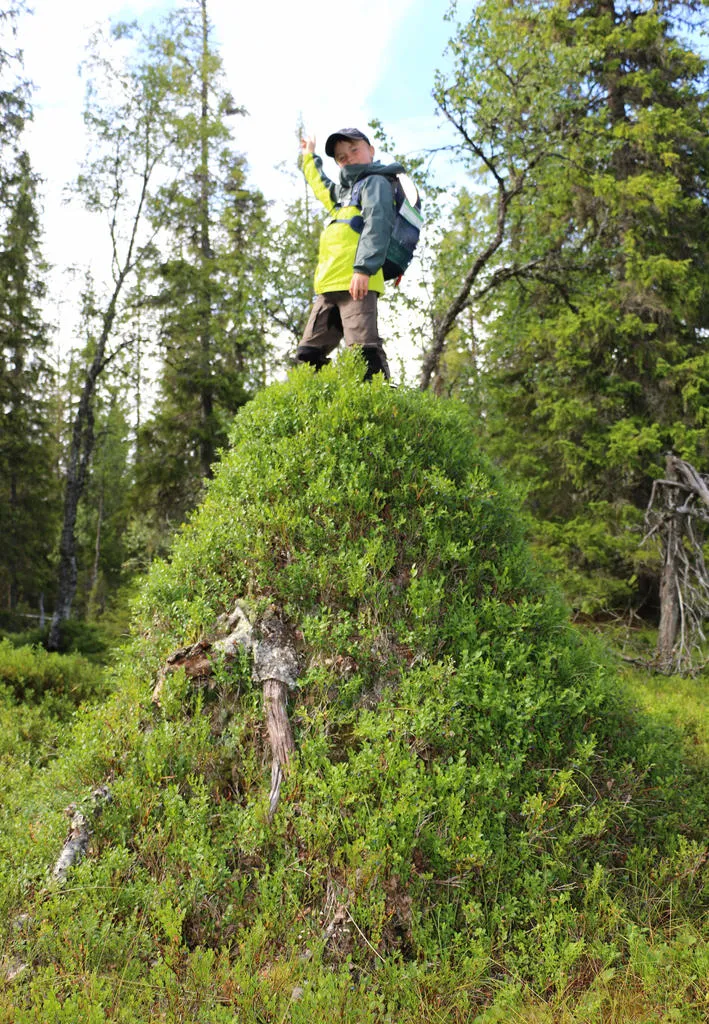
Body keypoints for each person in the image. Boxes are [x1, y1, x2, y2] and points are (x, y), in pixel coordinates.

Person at [296, 128, 405, 381]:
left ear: (371, 151)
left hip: (358, 284)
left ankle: (381, 402)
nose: (349, 158)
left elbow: (378, 223)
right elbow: (320, 185)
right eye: (341, 157)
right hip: (329, 285)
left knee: (364, 353)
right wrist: (309, 156)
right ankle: (327, 401)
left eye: (354, 150)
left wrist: (364, 268)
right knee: (309, 354)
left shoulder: (376, 183)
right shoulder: (343, 196)